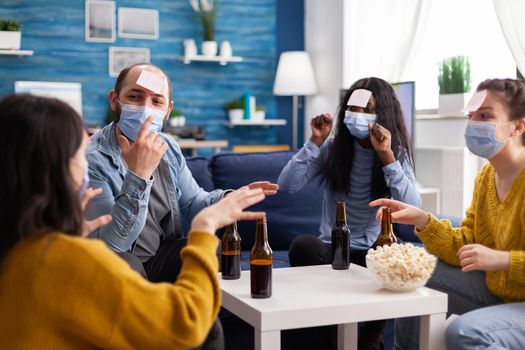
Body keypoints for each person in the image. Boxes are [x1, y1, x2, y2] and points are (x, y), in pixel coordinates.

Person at [0, 93, 268, 349]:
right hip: (123, 260)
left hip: (137, 260)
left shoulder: (21, 251)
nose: (145, 108)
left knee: (212, 327)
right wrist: (204, 229)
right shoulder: (69, 260)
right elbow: (185, 323)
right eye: (80, 153)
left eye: (156, 100)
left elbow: (193, 199)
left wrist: (228, 199)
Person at [370, 78, 525, 350]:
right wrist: (423, 219)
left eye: (485, 115)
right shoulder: (486, 177)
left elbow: (493, 258)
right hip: (500, 290)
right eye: (471, 115)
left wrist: (502, 260)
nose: (473, 123)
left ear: (518, 126)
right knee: (413, 274)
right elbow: (464, 245)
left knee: (465, 332)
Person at [278, 77, 421, 349]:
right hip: (332, 249)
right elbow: (287, 185)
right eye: (353, 109)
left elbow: (413, 204)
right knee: (303, 245)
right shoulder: (334, 149)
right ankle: (332, 341)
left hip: (371, 253)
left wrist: (387, 157)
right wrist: (314, 142)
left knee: (395, 255)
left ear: (384, 114)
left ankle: (370, 339)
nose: (358, 116)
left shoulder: (396, 152)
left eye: (368, 109)